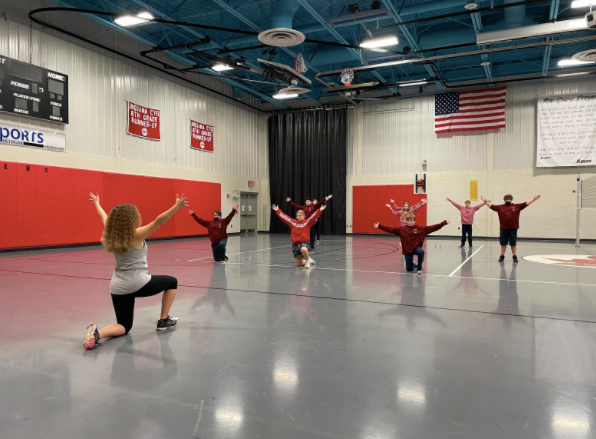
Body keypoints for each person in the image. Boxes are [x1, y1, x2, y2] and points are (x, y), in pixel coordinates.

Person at [82, 192, 188, 350]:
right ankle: (164, 320)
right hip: (139, 283)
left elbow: (103, 217)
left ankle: (97, 334)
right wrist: (176, 207)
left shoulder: (112, 234)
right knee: (172, 282)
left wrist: (97, 203)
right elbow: (158, 221)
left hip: (117, 287)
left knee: (124, 325)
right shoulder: (136, 235)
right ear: (132, 219)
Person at [374, 214, 449, 274]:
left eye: (412, 220)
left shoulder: (421, 229)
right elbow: (391, 229)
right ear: (406, 221)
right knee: (409, 269)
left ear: (414, 221)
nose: (410, 222)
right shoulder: (401, 229)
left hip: (416, 248)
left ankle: (419, 267)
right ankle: (413, 264)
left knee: (421, 252)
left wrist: (444, 223)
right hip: (407, 250)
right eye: (409, 220)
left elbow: (433, 227)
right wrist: (380, 226)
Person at [481, 194, 540, 262]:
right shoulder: (500, 207)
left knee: (513, 243)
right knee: (503, 243)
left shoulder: (517, 206)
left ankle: (514, 256)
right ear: (504, 200)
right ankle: (502, 255)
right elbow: (491, 206)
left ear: (511, 200)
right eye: (506, 199)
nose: (507, 200)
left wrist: (533, 199)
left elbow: (525, 203)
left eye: (508, 199)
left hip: (513, 228)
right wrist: (485, 201)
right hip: (503, 228)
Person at [272, 203, 327, 268]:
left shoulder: (307, 223)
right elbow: (285, 217)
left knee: (303, 249)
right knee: (299, 264)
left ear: (304, 216)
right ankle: (308, 259)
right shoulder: (293, 223)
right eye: (297, 216)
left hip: (304, 243)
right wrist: (278, 211)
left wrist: (320, 210)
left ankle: (307, 261)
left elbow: (313, 216)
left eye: (300, 215)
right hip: (295, 244)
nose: (298, 217)